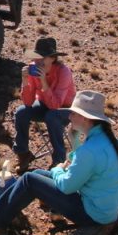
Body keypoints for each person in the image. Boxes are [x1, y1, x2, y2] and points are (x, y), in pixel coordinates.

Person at [0, 90, 118, 235]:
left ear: (85, 118)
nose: (69, 117)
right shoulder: (110, 141)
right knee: (36, 175)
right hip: (105, 208)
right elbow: (83, 164)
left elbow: (67, 186)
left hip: (92, 214)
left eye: (73, 113)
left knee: (29, 179)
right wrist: (74, 141)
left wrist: (57, 170)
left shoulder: (90, 151)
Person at [13, 37, 76, 172]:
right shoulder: (32, 69)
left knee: (52, 116)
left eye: (43, 57)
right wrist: (25, 81)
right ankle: (23, 154)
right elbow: (28, 102)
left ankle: (59, 161)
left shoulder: (64, 72)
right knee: (21, 112)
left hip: (66, 110)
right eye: (36, 57)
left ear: (53, 58)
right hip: (44, 106)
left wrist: (43, 82)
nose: (38, 61)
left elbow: (56, 105)